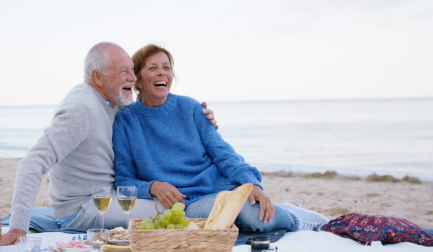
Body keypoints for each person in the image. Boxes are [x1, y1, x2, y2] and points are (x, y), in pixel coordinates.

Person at [0, 42, 217, 246]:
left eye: (133, 70)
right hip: (84, 206)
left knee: (178, 205)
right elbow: (32, 163)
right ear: (98, 77)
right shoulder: (80, 109)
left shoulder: (113, 101)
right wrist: (17, 229)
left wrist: (200, 119)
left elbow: (150, 114)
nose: (133, 78)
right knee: (182, 211)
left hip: (110, 196)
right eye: (124, 71)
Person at [113, 44, 328, 234]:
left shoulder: (191, 108)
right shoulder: (126, 122)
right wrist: (153, 187)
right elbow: (125, 180)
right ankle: (263, 213)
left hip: (220, 187)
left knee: (255, 218)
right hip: (189, 202)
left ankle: (295, 220)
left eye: (167, 67)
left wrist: (250, 182)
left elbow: (222, 152)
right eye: (153, 68)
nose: (162, 73)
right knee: (224, 217)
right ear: (138, 80)